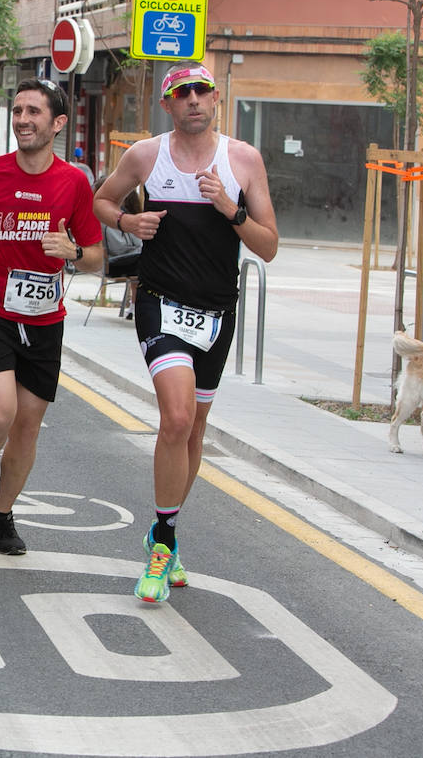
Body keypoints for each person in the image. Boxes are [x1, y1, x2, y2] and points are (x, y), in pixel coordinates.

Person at [93, 61, 278, 603]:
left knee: (193, 430)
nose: (193, 99)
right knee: (174, 418)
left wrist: (231, 208)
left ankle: (165, 532)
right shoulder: (146, 156)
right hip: (160, 303)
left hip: (218, 311)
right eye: (181, 92)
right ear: (167, 104)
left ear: (216, 99)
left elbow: (267, 245)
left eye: (201, 90)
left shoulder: (243, 160)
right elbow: (101, 200)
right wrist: (129, 223)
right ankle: (163, 539)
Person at [0, 78, 104, 557]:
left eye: (34, 112)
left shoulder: (73, 182)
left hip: (45, 319)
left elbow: (94, 256)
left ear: (57, 123)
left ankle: (4, 513)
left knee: (28, 425)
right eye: (18, 111)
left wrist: (73, 252)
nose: (23, 120)